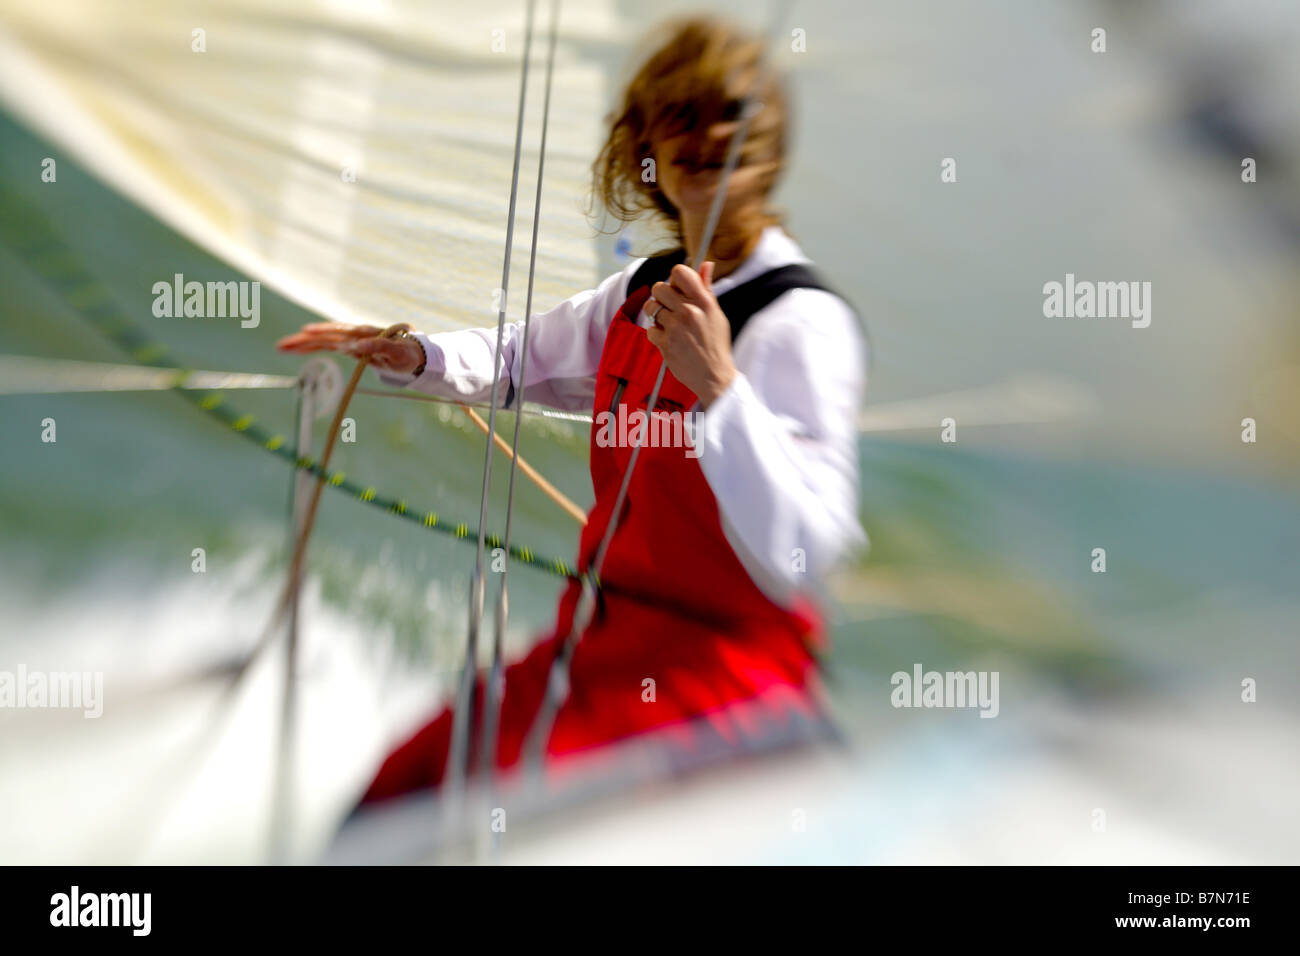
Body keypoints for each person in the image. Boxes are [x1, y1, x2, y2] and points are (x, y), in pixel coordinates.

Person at [277, 16, 867, 804]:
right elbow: (524, 357)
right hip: (594, 651)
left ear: (769, 141)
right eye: (679, 114)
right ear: (645, 143)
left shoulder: (797, 323)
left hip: (721, 681)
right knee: (396, 792)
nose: (704, 134)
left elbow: (805, 554)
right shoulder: (637, 293)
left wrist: (721, 388)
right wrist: (414, 355)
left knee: (508, 822)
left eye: (728, 111)